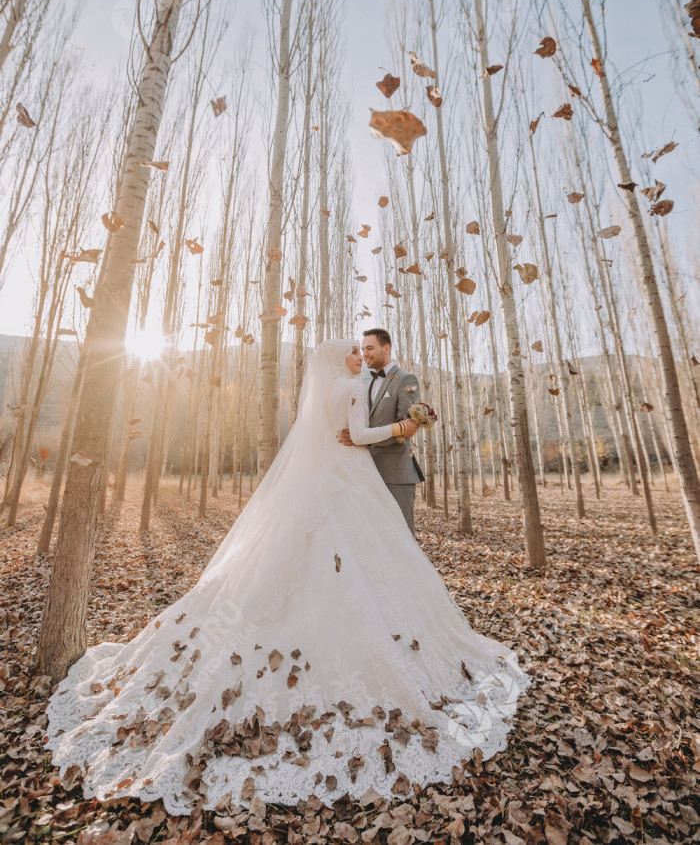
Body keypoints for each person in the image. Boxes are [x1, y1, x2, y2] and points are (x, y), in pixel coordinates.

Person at [43, 339, 530, 815]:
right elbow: (359, 437)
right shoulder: (353, 387)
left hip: (325, 477)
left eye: (364, 351)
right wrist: (403, 424)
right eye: (354, 352)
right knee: (369, 558)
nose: (360, 356)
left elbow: (335, 433)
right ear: (340, 361)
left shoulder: (326, 390)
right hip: (352, 476)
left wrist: (392, 423)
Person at [338, 328, 424, 534]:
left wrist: (361, 438)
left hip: (396, 474)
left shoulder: (406, 380)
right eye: (362, 349)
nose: (365, 353)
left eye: (369, 348)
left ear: (387, 348)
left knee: (401, 537)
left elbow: (406, 429)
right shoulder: (365, 383)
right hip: (368, 472)